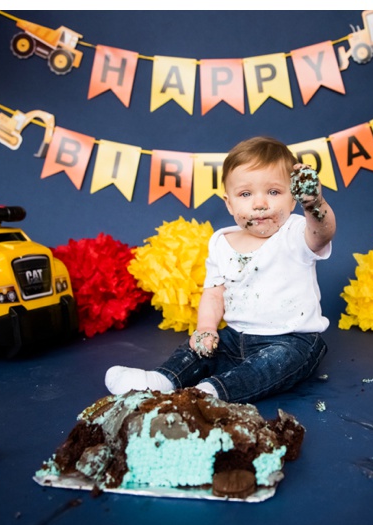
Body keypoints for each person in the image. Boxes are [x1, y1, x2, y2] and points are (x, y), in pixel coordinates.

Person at [105, 136, 336, 403]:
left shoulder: (296, 232)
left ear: (293, 198)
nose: (260, 203)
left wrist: (315, 204)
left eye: (273, 192)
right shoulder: (221, 242)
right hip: (234, 338)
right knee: (197, 350)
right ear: (229, 203)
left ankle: (213, 392)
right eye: (246, 194)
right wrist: (206, 327)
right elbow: (214, 294)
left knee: (275, 364)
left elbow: (322, 233)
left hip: (291, 339)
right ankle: (162, 379)